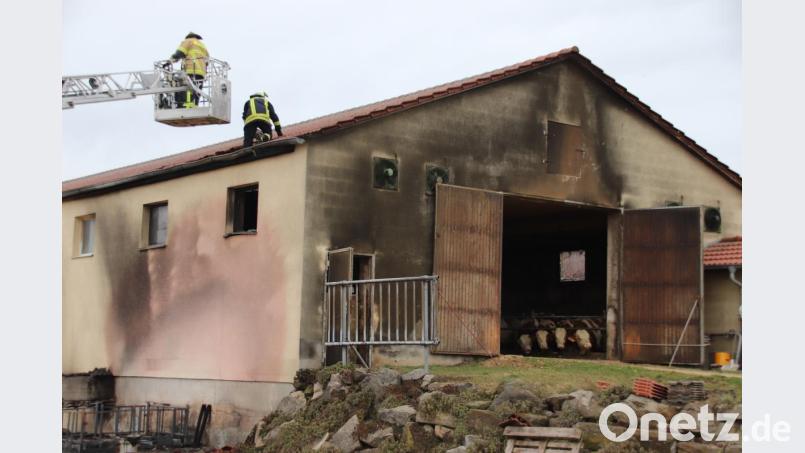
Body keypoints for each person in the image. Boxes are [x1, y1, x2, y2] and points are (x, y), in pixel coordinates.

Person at [169, 32, 209, 108]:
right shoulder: (202, 45)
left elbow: (179, 53)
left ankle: (186, 106)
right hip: (201, 73)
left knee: (187, 89)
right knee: (197, 91)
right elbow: (207, 61)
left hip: (191, 70)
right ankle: (194, 106)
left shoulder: (188, 41)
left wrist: (170, 61)